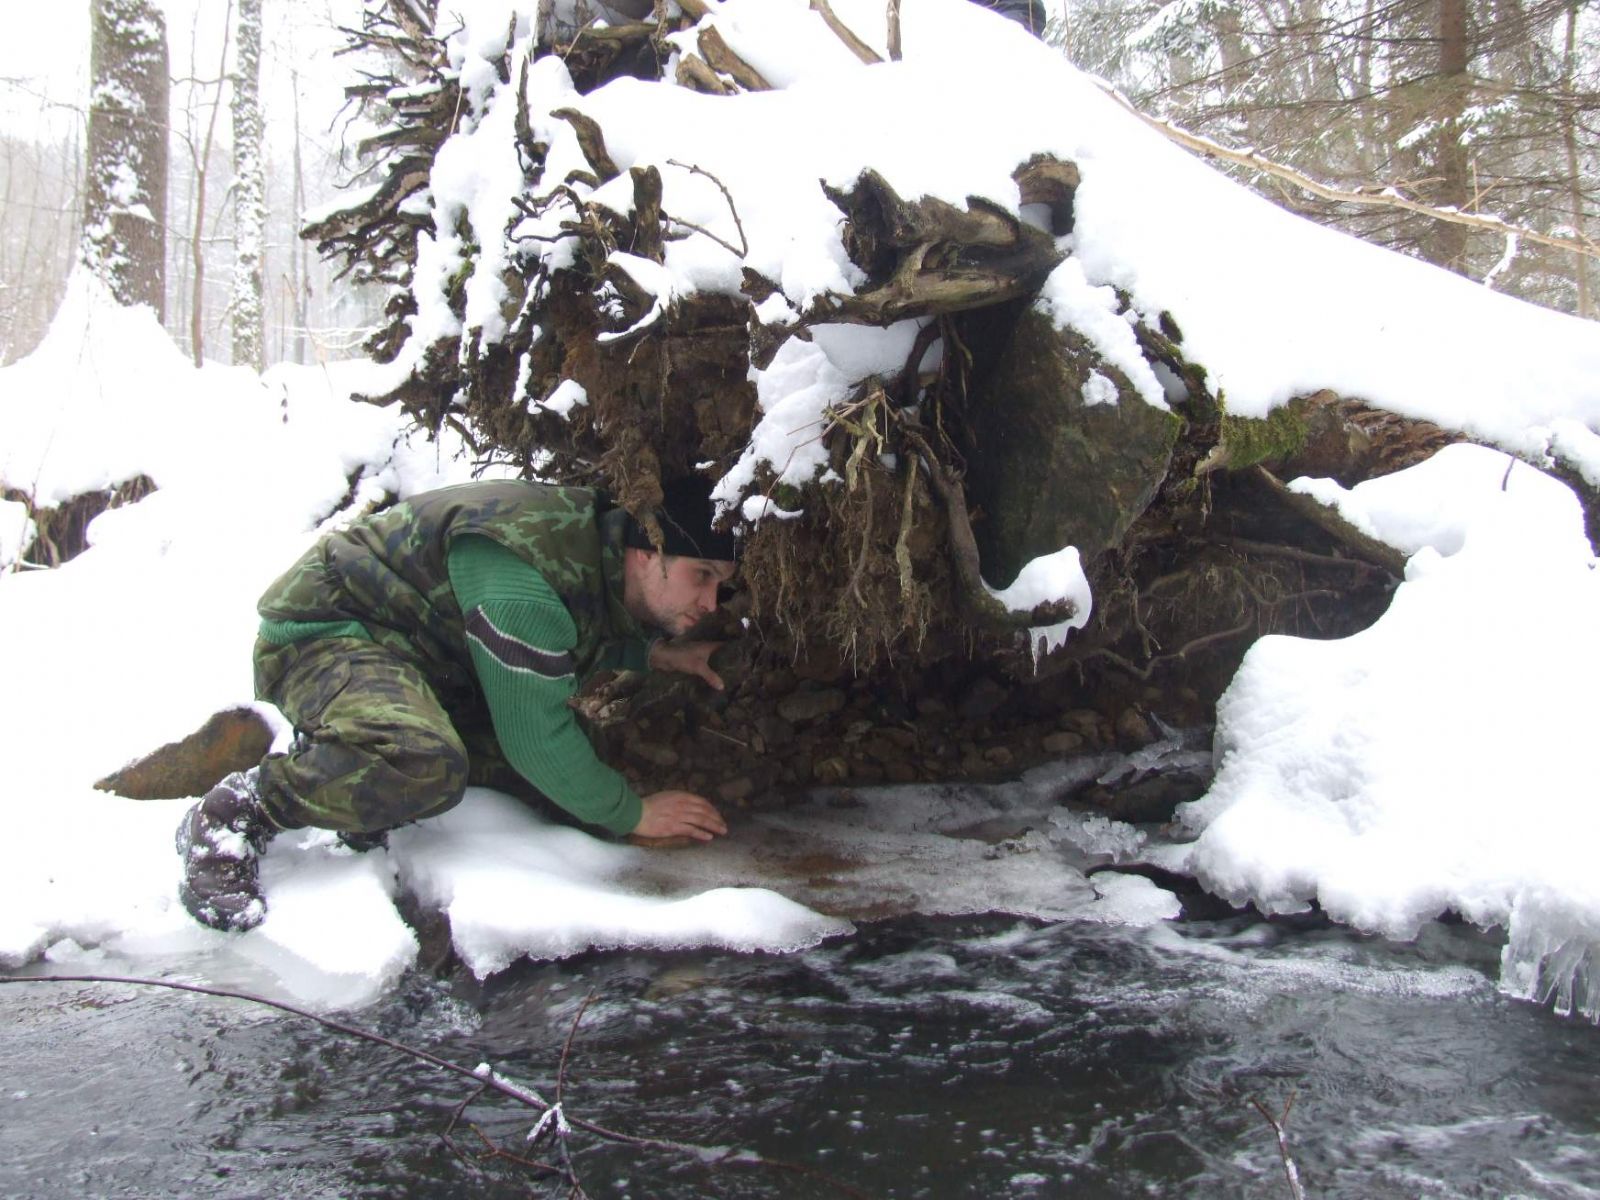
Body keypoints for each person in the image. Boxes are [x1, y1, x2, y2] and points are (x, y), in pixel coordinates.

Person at [175, 476, 737, 932]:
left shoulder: (601, 545)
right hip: (327, 634)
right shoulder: (527, 575)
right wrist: (634, 812)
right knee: (424, 762)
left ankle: (354, 761)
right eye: (701, 576)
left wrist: (656, 655)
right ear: (647, 553)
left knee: (567, 779)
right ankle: (236, 813)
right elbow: (534, 739)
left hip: (420, 657)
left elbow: (584, 622)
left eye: (721, 584)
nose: (710, 603)